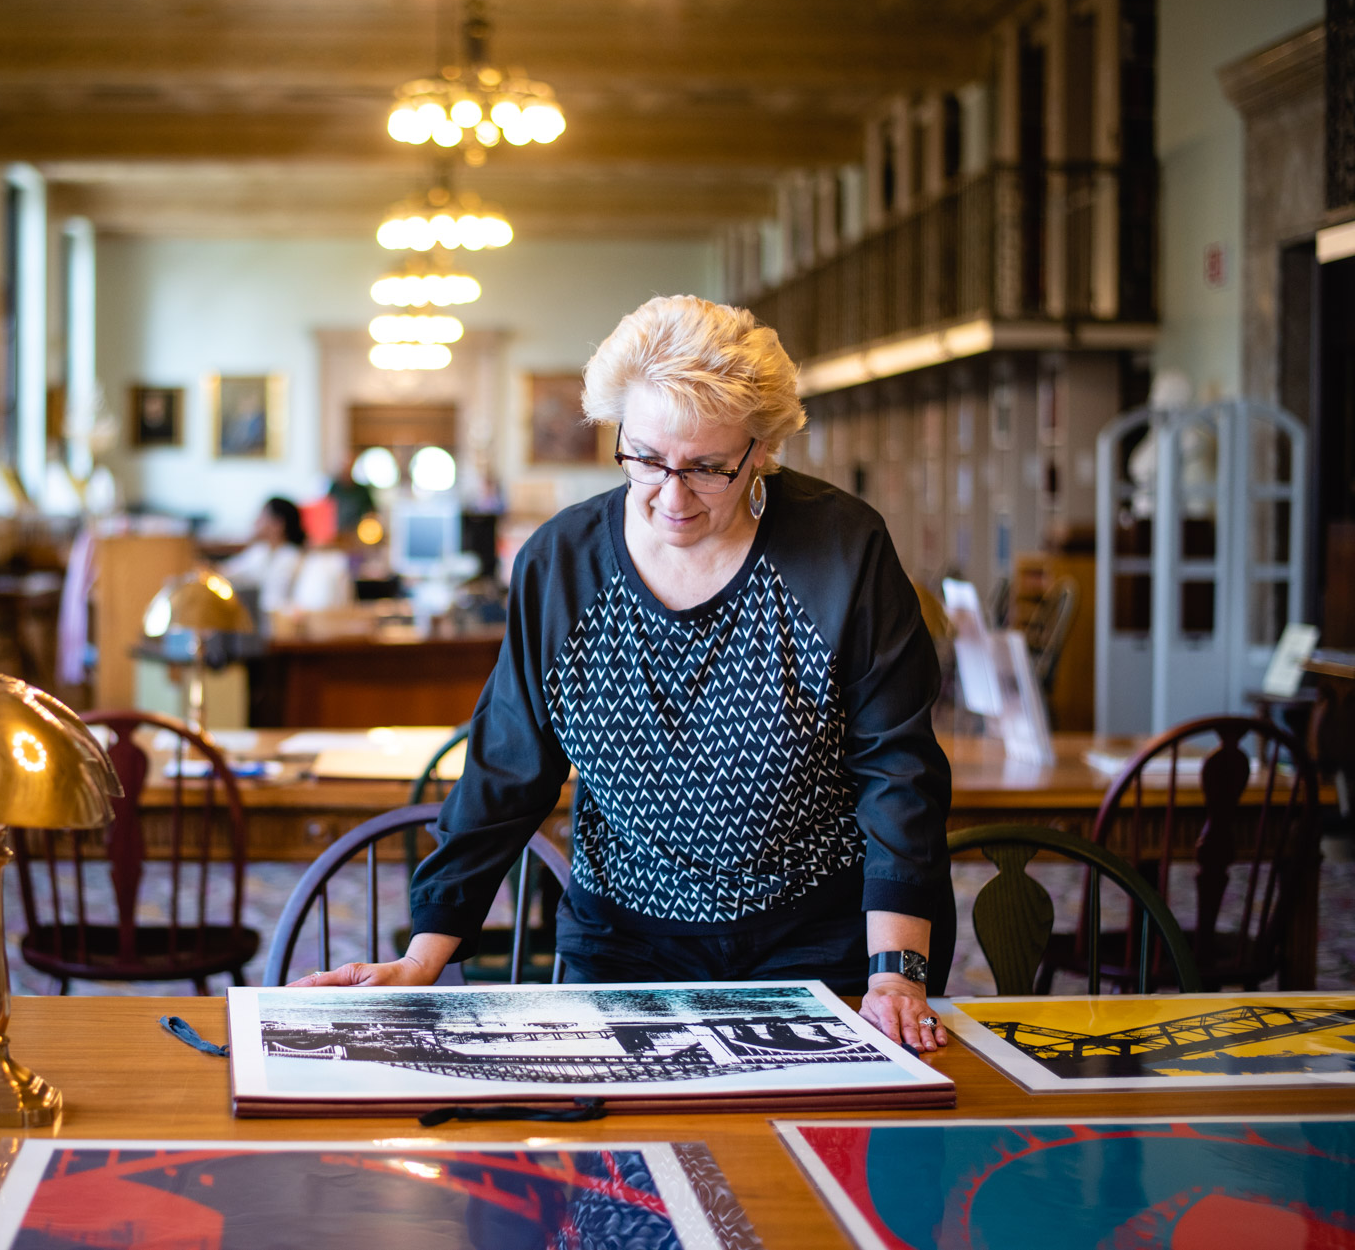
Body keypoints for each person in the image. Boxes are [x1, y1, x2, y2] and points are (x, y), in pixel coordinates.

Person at [291, 296, 955, 1053]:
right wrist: (424, 952)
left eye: (708, 468)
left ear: (762, 447)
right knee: (618, 1167)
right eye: (645, 458)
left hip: (815, 941)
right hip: (622, 945)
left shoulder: (842, 552)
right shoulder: (562, 564)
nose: (672, 496)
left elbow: (897, 767)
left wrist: (895, 972)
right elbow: (509, 768)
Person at [221, 497, 351, 618]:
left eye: (262, 516)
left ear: (278, 524)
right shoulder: (261, 551)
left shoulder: (289, 557)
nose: (256, 521)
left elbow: (273, 603)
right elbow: (229, 571)